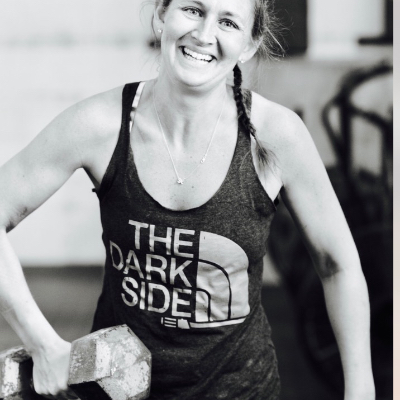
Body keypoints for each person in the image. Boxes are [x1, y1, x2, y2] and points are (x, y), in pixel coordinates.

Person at [0, 0, 376, 399]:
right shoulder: (101, 124)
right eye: (193, 10)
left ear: (249, 45)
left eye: (228, 22)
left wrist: (361, 387)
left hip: (241, 390)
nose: (204, 34)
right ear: (161, 15)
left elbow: (338, 266)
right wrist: (43, 344)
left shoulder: (276, 134)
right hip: (115, 388)